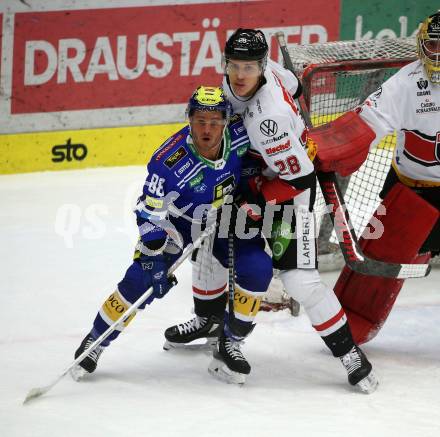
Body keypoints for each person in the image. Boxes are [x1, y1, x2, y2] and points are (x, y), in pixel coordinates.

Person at [165, 29, 378, 393]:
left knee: (298, 280)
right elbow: (295, 85)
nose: (241, 75)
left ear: (261, 66)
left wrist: (258, 200)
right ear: (226, 63)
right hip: (254, 176)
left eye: (249, 67)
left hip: (287, 191)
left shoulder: (270, 120)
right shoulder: (257, 73)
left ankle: (350, 354)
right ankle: (209, 320)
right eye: (234, 66)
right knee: (211, 239)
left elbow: (301, 179)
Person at [72, 86, 272, 382]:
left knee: (258, 269)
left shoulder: (241, 136)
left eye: (215, 121)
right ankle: (96, 341)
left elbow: (261, 165)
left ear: (227, 120)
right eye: (200, 121)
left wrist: (250, 193)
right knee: (140, 280)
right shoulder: (168, 163)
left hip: (228, 216)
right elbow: (148, 213)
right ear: (189, 120)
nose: (208, 129)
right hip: (180, 223)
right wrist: (153, 256)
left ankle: (229, 345)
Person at [358, 11, 439, 252]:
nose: (437, 53)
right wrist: (341, 148)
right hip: (408, 188)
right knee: (383, 253)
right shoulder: (406, 82)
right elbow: (370, 120)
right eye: (432, 45)